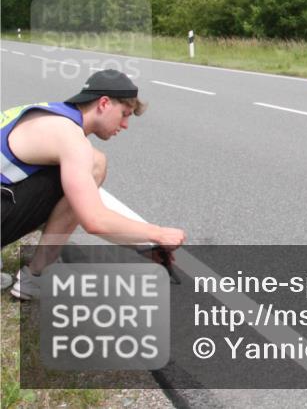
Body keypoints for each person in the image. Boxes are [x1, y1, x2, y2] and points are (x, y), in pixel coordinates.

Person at [1, 69, 186, 300]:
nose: (126, 124)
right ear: (104, 103)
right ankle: (36, 277)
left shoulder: (49, 114)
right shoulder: (70, 138)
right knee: (95, 164)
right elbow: (94, 220)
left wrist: (143, 244)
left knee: (82, 176)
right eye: (124, 114)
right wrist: (158, 234)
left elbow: (86, 205)